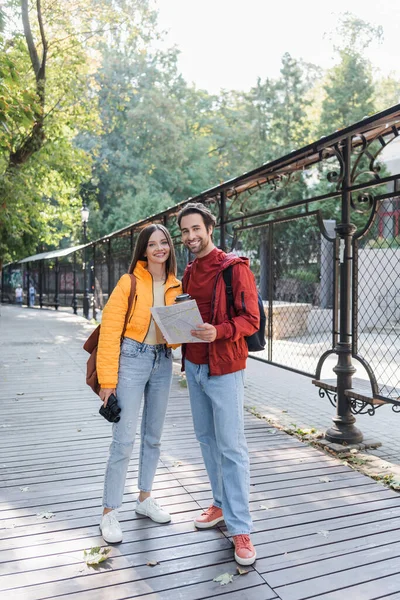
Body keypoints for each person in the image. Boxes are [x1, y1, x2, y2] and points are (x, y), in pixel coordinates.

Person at [177, 202, 260, 566]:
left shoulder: (235, 269)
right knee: (207, 440)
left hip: (224, 369)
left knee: (232, 447)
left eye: (196, 228)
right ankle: (220, 504)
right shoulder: (189, 271)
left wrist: (220, 331)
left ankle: (242, 529)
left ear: (210, 228)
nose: (190, 236)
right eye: (184, 231)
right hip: (194, 369)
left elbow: (251, 319)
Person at [96, 224, 182, 544]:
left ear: (170, 247)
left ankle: (144, 499)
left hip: (163, 362)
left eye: (164, 243)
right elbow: (108, 333)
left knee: (153, 437)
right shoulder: (129, 282)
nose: (159, 248)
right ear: (144, 250)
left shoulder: (177, 286)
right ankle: (109, 512)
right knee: (123, 440)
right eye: (152, 244)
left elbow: (177, 336)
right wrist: (107, 382)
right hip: (131, 359)